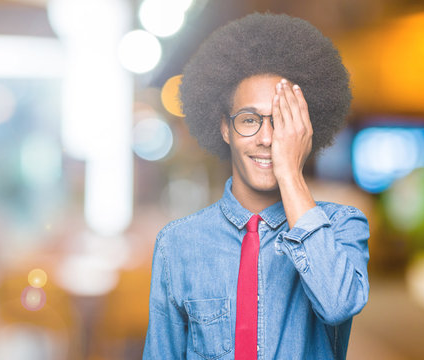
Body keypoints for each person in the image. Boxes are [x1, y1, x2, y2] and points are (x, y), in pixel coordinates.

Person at [143, 12, 370, 359]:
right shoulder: (177, 244)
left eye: (281, 122)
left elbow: (338, 304)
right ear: (225, 129)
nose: (266, 138)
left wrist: (291, 173)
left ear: (304, 130)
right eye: (249, 120)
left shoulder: (342, 227)